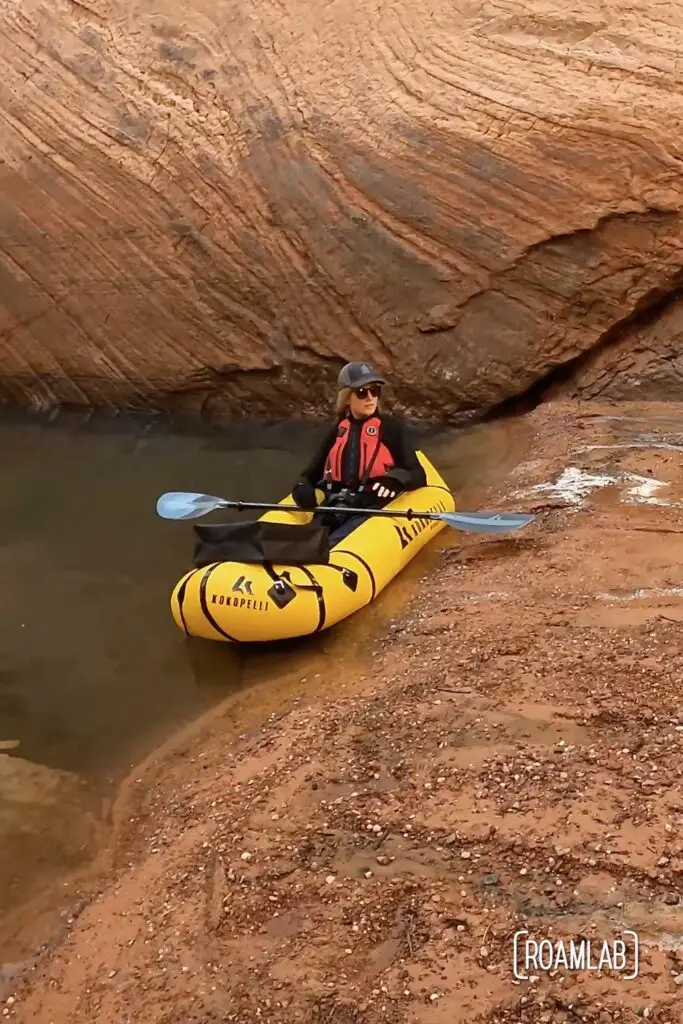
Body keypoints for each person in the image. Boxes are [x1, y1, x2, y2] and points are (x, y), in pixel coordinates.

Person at [291, 361, 427, 540]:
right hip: (337, 506)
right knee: (307, 538)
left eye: (375, 391)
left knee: (334, 541)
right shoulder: (338, 431)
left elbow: (418, 474)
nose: (370, 397)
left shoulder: (391, 428)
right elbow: (308, 476)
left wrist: (394, 480)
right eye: (362, 392)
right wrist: (302, 489)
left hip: (371, 507)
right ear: (346, 397)